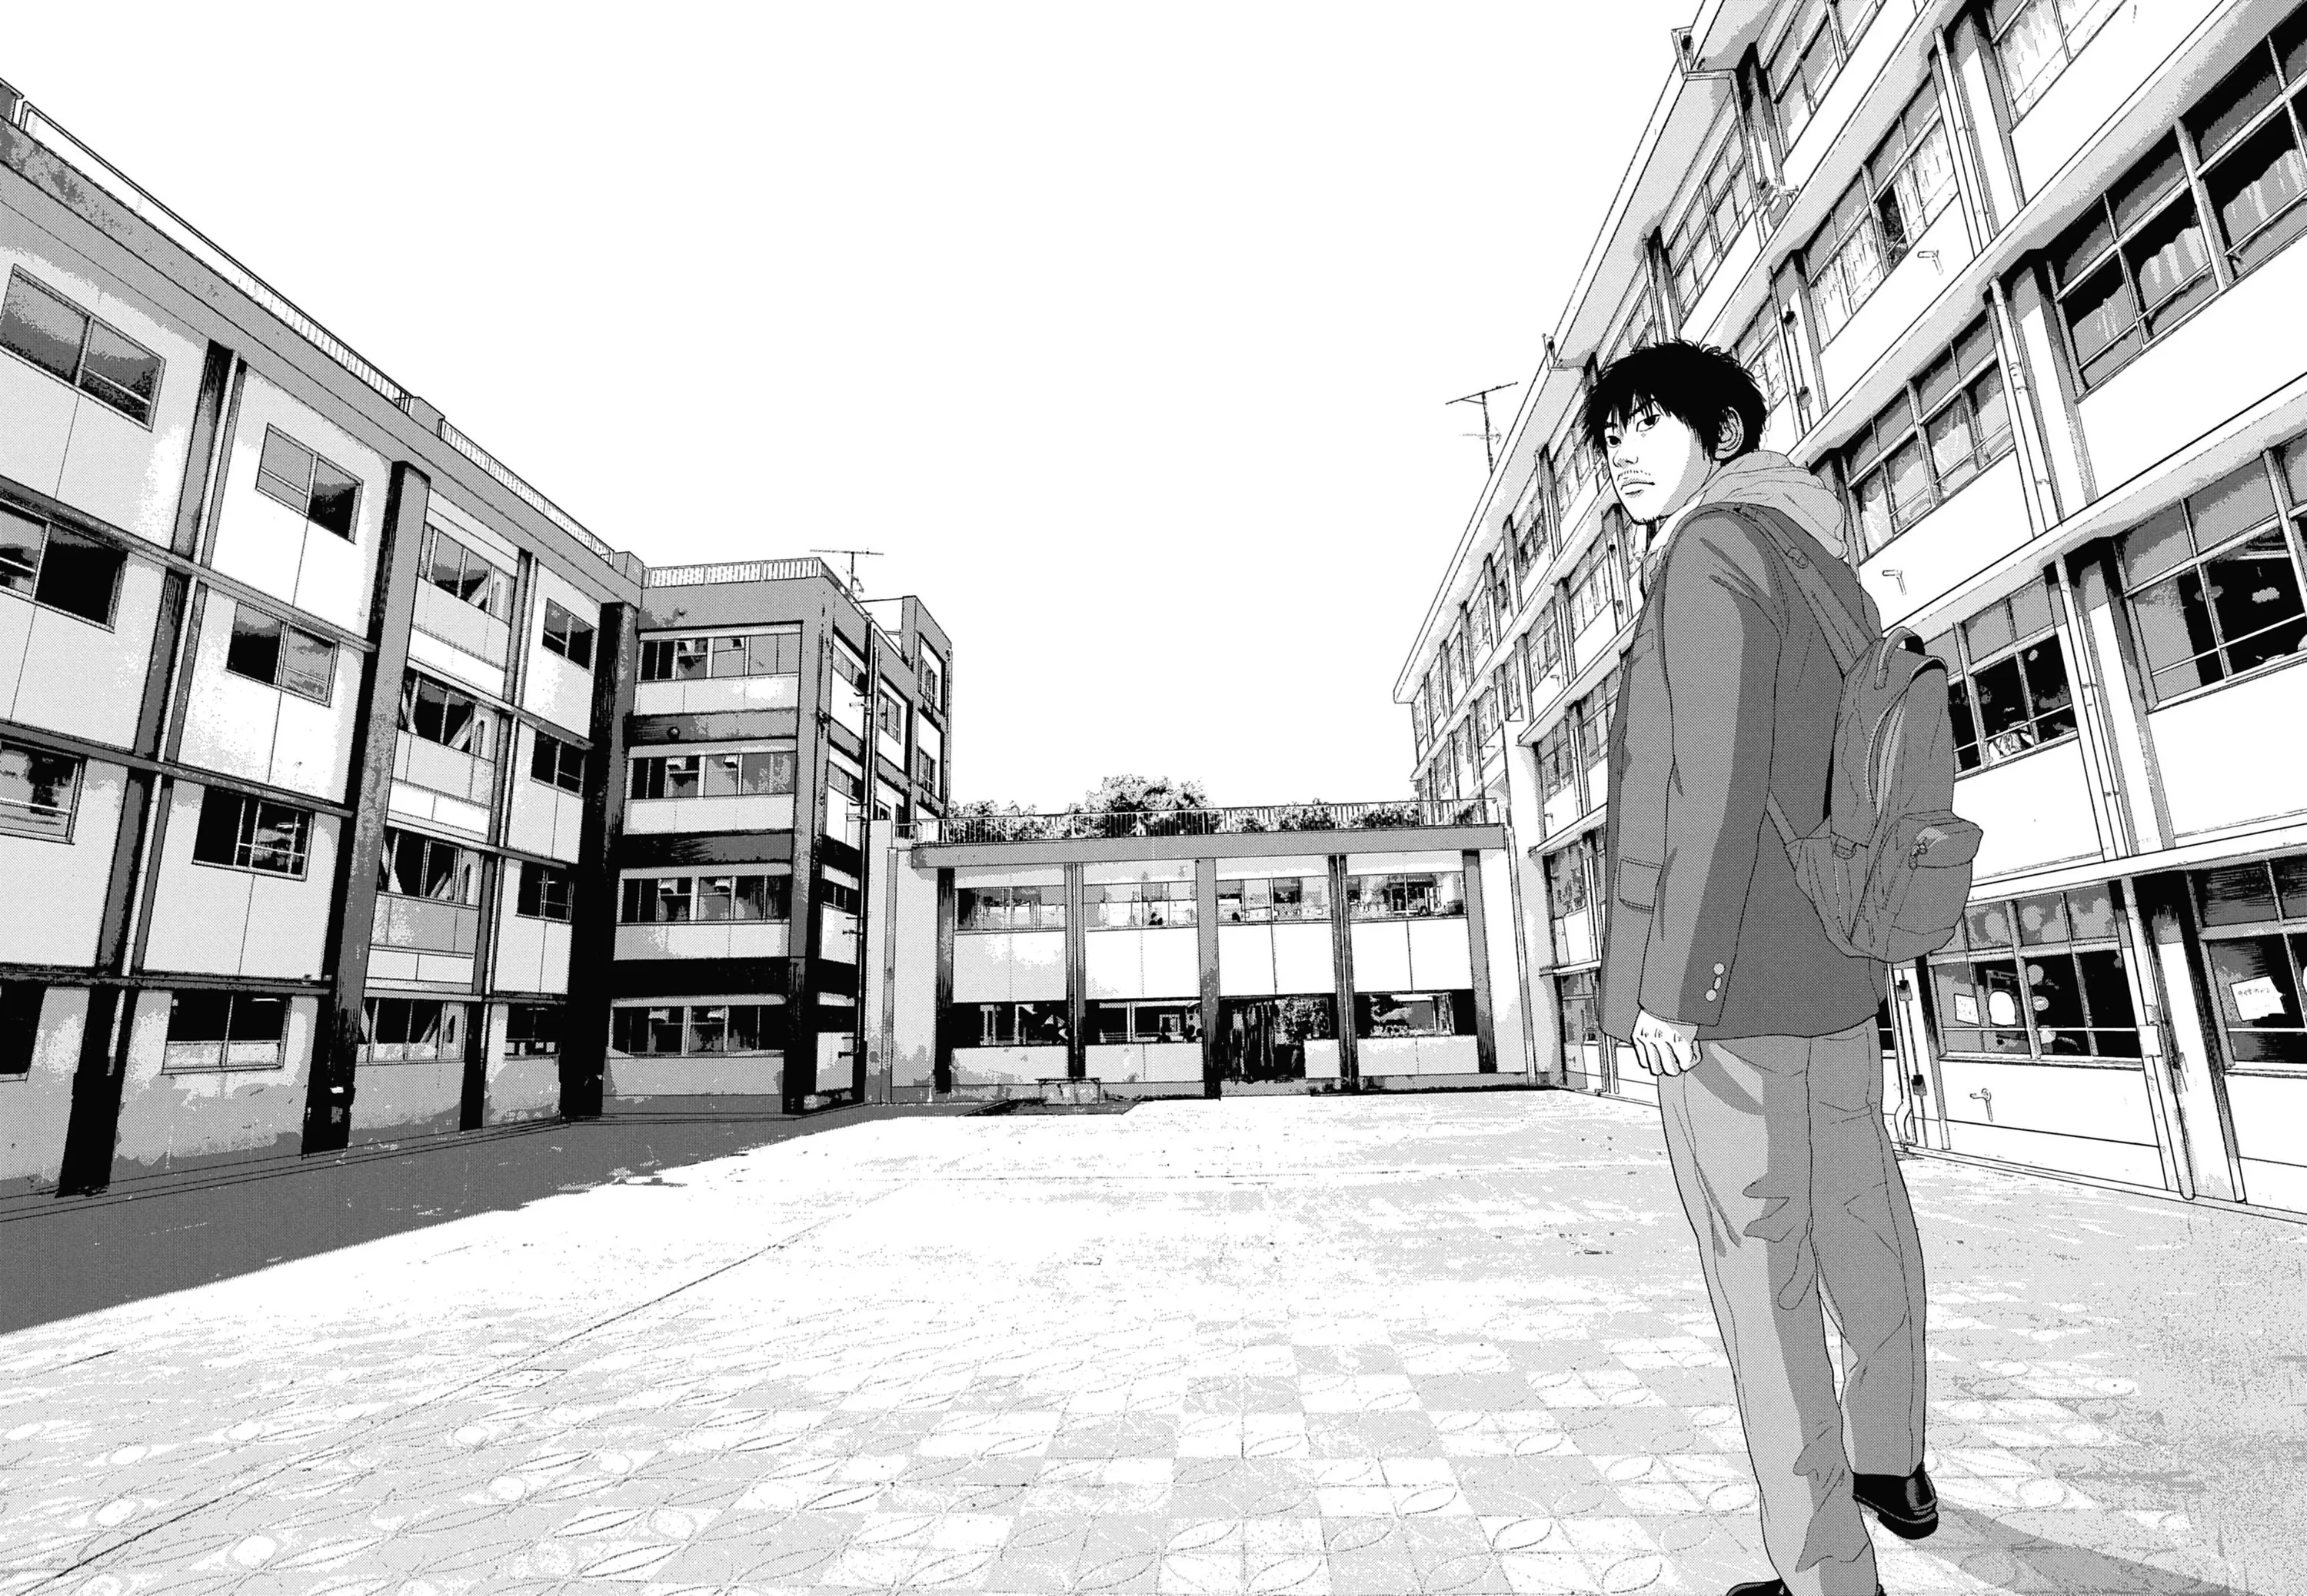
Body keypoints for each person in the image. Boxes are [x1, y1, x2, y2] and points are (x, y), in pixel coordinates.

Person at [1586, 341, 1936, 1596]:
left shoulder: (1706, 555)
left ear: (1723, 433)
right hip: (1835, 971)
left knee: (1763, 1276)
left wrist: (1671, 988)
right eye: (1610, 437)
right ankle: (1891, 1458)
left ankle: (1827, 1572)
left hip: (1729, 996)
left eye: (1648, 424)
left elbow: (1712, 785)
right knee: (1861, 1221)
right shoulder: (1818, 558)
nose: (1624, 455)